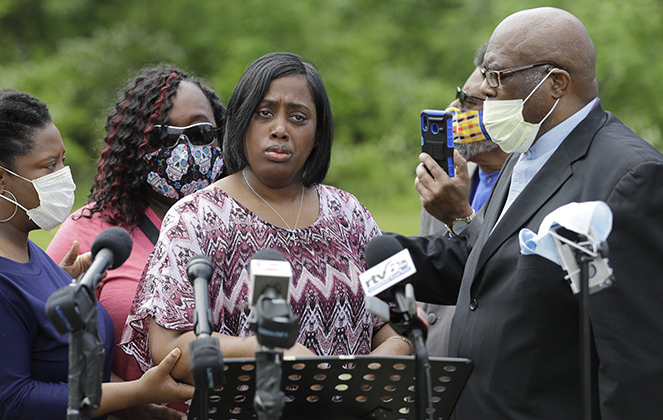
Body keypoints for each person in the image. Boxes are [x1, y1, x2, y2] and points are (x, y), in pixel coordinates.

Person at [397, 7, 663, 419]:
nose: (483, 92)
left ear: (555, 83)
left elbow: (636, 361)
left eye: (496, 77)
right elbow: (495, 268)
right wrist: (378, 255)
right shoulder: (527, 151)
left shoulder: (630, 176)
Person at [120, 52, 411, 382]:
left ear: (318, 134)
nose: (280, 130)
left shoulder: (350, 214)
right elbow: (169, 347)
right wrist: (264, 350)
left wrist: (397, 346)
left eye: (299, 118)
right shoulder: (195, 219)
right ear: (242, 121)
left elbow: (394, 319)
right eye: (265, 113)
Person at [0, 89, 193, 419]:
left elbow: (58, 364)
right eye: (49, 166)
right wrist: (137, 390)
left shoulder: (24, 250)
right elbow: (14, 403)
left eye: (62, 160)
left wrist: (135, 408)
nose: (64, 175)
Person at [46, 65, 224, 417]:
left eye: (201, 133)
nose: (183, 148)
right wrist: (131, 402)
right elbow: (46, 345)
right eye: (162, 137)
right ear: (134, 146)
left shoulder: (241, 222)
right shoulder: (92, 231)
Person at [418, 42, 509, 357]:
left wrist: (461, 216)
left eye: (469, 102)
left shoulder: (531, 184)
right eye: (459, 96)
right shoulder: (449, 179)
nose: (452, 111)